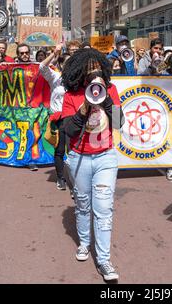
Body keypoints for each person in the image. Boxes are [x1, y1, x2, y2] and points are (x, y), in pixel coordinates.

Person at [61, 48, 124, 281]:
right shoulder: (72, 96)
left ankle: (105, 260)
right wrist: (86, 105)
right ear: (78, 73)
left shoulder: (111, 91)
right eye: (88, 70)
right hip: (79, 158)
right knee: (83, 205)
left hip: (105, 157)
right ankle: (85, 243)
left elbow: (118, 123)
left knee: (104, 209)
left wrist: (105, 98)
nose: (93, 74)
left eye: (96, 69)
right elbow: (69, 130)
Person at [39, 43, 71, 191]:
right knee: (60, 150)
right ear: (60, 64)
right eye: (66, 63)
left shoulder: (79, 79)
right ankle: (60, 177)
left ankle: (75, 179)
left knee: (75, 150)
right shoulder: (55, 77)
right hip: (58, 119)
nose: (69, 66)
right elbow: (42, 68)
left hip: (74, 119)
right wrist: (54, 52)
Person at [15, 43, 38, 171]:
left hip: (32, 108)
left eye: (26, 53)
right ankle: (19, 157)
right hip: (14, 108)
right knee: (18, 134)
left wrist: (55, 53)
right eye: (21, 53)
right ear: (18, 55)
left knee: (30, 133)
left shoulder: (35, 67)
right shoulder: (10, 67)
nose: (24, 55)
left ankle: (30, 160)